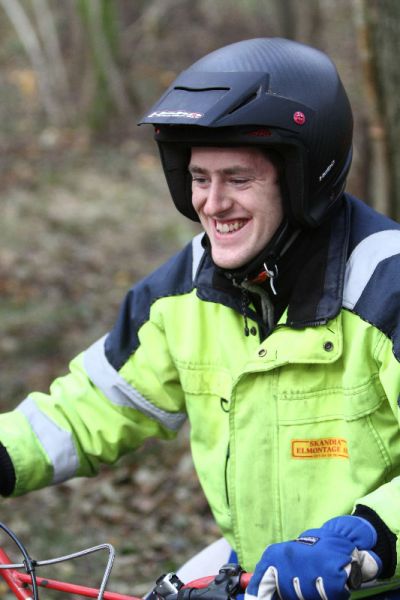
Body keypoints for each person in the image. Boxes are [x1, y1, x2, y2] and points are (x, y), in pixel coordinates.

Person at [0, 37, 400, 600]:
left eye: (238, 179)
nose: (212, 204)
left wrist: (367, 537)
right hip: (257, 574)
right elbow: (94, 405)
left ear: (305, 180)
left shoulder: (386, 283)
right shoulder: (188, 285)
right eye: (198, 178)